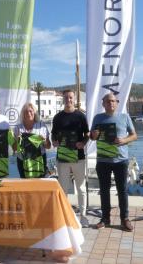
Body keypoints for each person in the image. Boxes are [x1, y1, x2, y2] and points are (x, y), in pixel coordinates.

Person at [90, 93, 137, 232]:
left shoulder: (124, 117)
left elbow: (134, 135)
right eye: (108, 101)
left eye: (113, 101)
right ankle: (105, 219)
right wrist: (94, 135)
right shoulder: (98, 118)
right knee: (104, 191)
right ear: (103, 103)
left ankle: (125, 219)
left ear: (117, 103)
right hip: (103, 160)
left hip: (121, 160)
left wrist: (124, 140)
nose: (111, 103)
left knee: (122, 190)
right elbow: (92, 137)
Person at [51, 89, 89, 227]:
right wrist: (54, 142)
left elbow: (87, 134)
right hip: (62, 158)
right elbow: (53, 135)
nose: (69, 100)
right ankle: (65, 216)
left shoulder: (81, 116)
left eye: (71, 97)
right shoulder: (57, 117)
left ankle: (83, 216)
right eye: (66, 97)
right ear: (63, 99)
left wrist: (83, 143)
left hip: (78, 157)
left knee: (81, 188)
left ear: (74, 99)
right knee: (63, 188)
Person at [13, 102, 51, 178]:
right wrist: (17, 140)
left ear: (34, 112)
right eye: (26, 112)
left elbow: (48, 146)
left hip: (39, 159)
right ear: (23, 114)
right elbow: (14, 149)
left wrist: (44, 141)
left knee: (41, 183)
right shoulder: (17, 128)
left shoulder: (41, 126)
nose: (29, 113)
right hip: (23, 161)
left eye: (31, 111)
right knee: (25, 185)